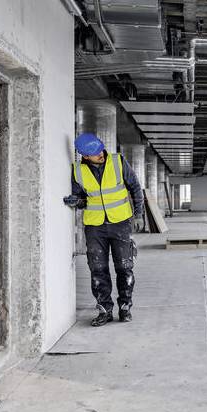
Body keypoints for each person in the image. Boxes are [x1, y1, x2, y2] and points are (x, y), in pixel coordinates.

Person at [64, 133, 145, 327]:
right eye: (95, 153)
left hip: (120, 223)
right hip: (95, 226)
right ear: (85, 156)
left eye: (100, 150)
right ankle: (104, 310)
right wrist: (76, 201)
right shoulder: (78, 170)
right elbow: (83, 199)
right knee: (98, 269)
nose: (100, 154)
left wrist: (139, 214)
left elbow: (135, 187)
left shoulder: (118, 162)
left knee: (124, 267)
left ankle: (125, 307)